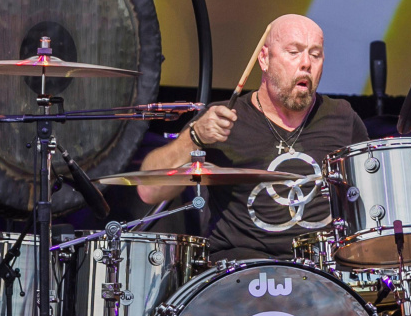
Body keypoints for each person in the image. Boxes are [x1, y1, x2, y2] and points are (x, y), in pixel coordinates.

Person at [138, 14, 369, 260]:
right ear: (264, 59)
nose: (306, 63)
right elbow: (148, 191)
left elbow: (369, 199)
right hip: (242, 276)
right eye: (293, 52)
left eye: (315, 54)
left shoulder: (342, 117)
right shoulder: (223, 119)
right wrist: (194, 137)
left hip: (322, 274)